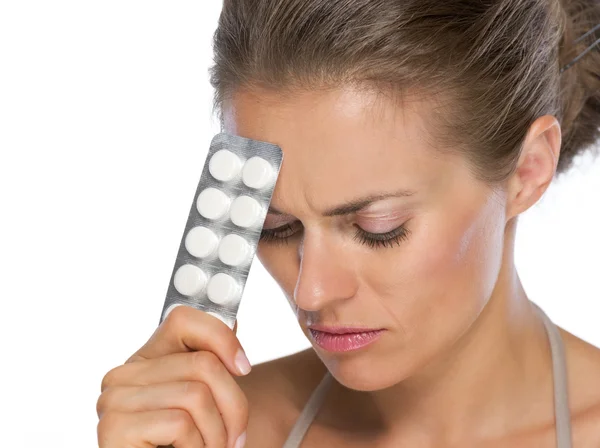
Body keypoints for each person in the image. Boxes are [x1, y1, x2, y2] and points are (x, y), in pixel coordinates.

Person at [96, 0, 600, 446]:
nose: (311, 293)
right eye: (274, 226)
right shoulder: (219, 435)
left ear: (528, 170)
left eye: (377, 227)